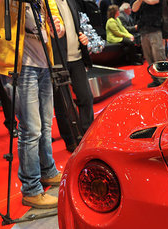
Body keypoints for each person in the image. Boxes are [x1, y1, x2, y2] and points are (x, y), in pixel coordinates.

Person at [0, 0, 65, 208]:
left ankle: (48, 171)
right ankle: (31, 189)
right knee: (31, 129)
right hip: (20, 66)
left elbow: (56, 26)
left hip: (44, 62)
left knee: (45, 125)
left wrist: (58, 26)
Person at [53, 0, 95, 153]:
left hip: (77, 56)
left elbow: (76, 26)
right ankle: (70, 140)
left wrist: (83, 38)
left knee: (86, 97)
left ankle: (88, 135)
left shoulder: (72, 2)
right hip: (57, 59)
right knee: (63, 104)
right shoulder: (48, 4)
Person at [132, 0, 168, 86]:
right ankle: (155, 80)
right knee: (149, 57)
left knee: (158, 56)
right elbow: (134, 8)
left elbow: (153, 1)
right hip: (144, 31)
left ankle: (164, 80)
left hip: (155, 30)